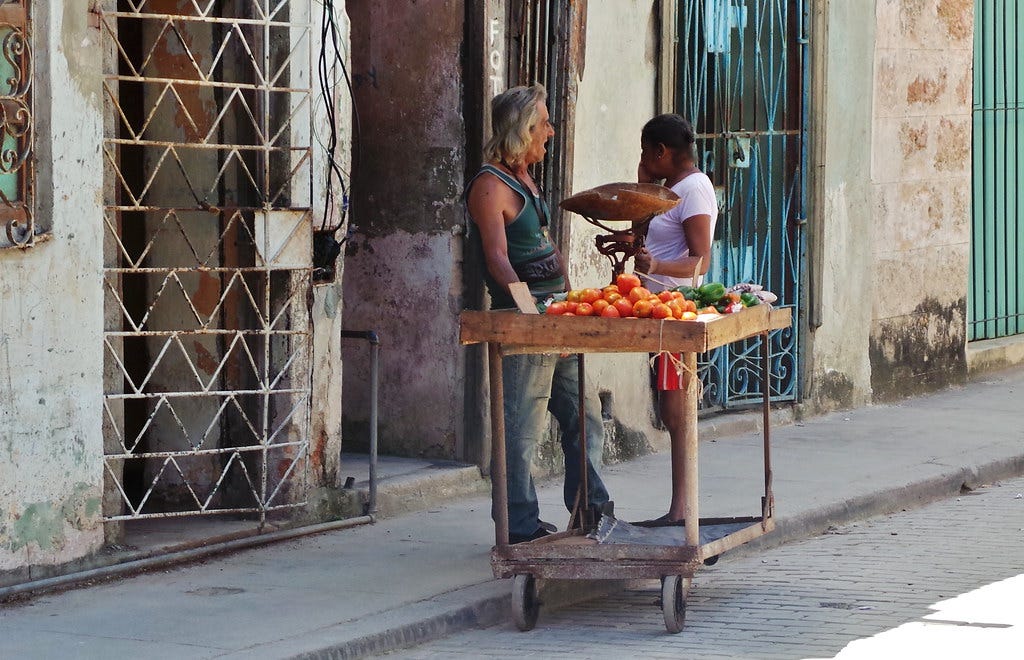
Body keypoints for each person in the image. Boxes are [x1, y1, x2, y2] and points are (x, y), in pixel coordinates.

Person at [465, 84, 610, 544]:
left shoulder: (525, 175)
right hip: (525, 319)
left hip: (558, 314)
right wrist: (530, 316)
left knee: (583, 414)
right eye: (543, 123)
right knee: (521, 429)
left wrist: (567, 301)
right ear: (523, 129)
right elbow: (498, 259)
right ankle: (518, 526)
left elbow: (542, 241)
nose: (551, 130)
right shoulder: (489, 185)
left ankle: (591, 510)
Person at [632, 113, 718, 524]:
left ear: (662, 152)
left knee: (676, 410)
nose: (644, 158)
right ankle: (681, 507)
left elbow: (701, 261)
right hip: (659, 309)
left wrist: (658, 262)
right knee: (671, 409)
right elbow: (643, 235)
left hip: (678, 310)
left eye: (647, 153)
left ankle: (682, 509)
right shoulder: (669, 189)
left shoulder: (694, 190)